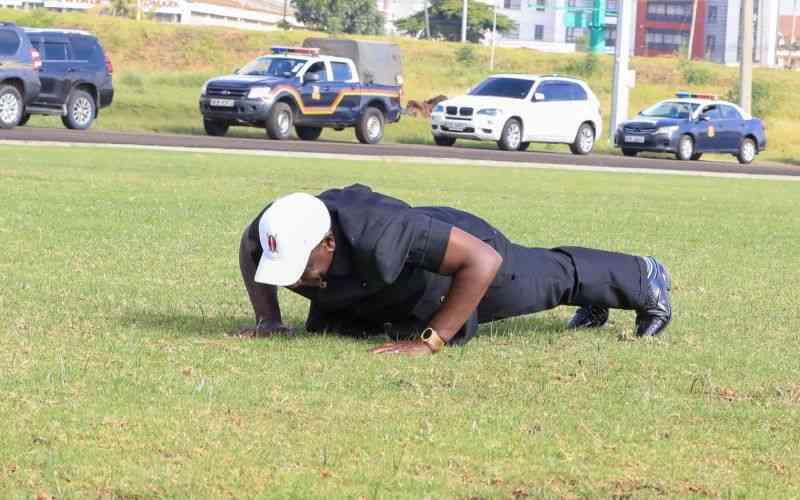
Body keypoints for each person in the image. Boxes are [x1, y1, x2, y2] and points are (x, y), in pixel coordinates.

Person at [238, 184, 672, 355]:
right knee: (336, 326)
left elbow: (481, 261)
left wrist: (429, 343)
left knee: (543, 281)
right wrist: (268, 320)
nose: (294, 279)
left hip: (461, 253)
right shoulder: (277, 227)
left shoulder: (385, 233)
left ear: (329, 242)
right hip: (388, 281)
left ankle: (644, 276)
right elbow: (249, 249)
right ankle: (597, 300)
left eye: (300, 267)